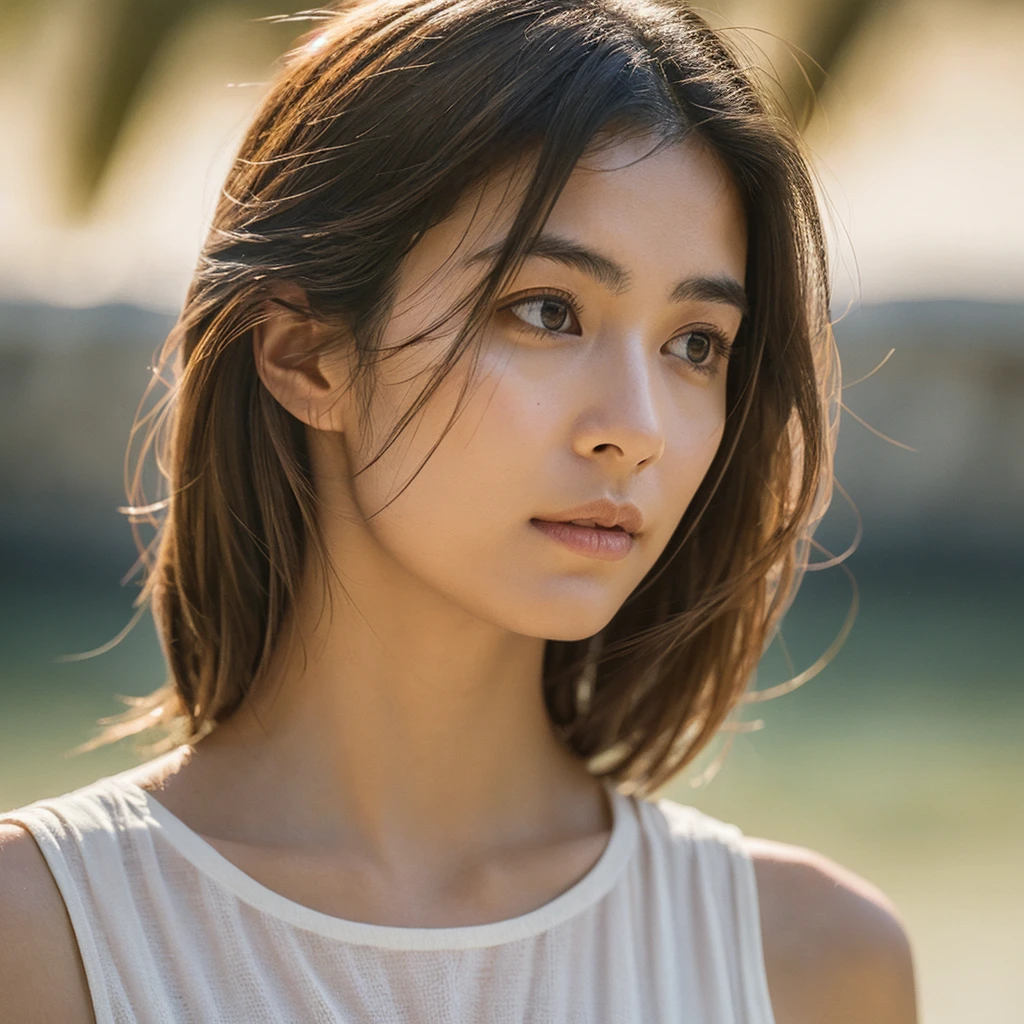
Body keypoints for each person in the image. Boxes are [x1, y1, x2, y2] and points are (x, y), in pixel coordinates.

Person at [0, 0, 918, 1020]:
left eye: (694, 341)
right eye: (546, 312)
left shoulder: (812, 962)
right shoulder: (38, 938)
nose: (637, 426)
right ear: (306, 354)